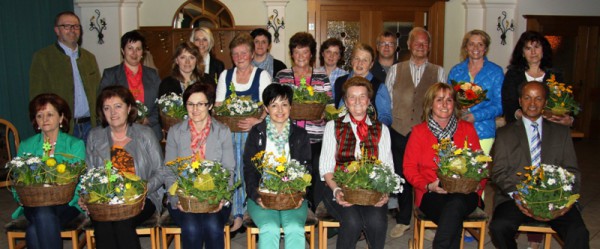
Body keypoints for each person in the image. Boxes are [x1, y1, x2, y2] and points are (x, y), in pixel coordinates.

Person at [489, 81, 589, 249]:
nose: (532, 103)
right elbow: (498, 172)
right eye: (527, 98)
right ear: (520, 101)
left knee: (578, 232)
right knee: (499, 227)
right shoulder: (505, 134)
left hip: (555, 198)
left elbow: (572, 171)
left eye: (538, 98)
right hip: (515, 198)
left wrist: (567, 200)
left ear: (545, 102)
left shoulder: (561, 133)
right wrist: (519, 196)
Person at [83, 86, 165, 249]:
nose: (113, 112)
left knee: (122, 221)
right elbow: (89, 173)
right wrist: (88, 196)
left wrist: (141, 191)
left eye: (118, 106)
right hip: (105, 200)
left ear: (129, 108)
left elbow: (161, 171)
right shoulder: (95, 136)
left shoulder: (145, 134)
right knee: (103, 222)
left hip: (142, 198)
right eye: (107, 108)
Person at [384, 27, 446, 238]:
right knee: (401, 175)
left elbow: (442, 102)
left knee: (426, 174)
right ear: (409, 45)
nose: (420, 46)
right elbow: (388, 102)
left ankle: (427, 218)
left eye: (425, 43)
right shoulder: (396, 69)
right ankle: (403, 221)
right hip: (399, 130)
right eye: (416, 42)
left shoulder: (438, 71)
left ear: (429, 46)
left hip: (425, 132)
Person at [403, 83, 482, 248]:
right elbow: (409, 169)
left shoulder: (467, 129)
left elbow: (481, 164)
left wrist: (474, 185)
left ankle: (439, 245)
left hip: (465, 192)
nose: (445, 105)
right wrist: (428, 186)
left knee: (455, 205)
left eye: (449, 100)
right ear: (430, 104)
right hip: (431, 193)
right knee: (453, 212)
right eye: (439, 100)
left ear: (454, 104)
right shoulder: (418, 132)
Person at [320, 76, 393, 249]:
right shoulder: (333, 126)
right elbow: (325, 168)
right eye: (352, 97)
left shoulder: (381, 129)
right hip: (336, 187)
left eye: (362, 96)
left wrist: (385, 193)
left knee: (376, 221)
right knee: (352, 222)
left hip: (371, 192)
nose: (358, 101)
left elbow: (387, 167)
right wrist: (337, 190)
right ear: (346, 101)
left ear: (369, 101)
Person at [163, 82, 235, 249]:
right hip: (183, 198)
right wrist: (175, 200)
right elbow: (168, 171)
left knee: (212, 226)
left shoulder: (222, 131)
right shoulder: (175, 132)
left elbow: (229, 170)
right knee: (192, 228)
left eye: (200, 104)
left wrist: (221, 198)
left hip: (216, 198)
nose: (195, 109)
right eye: (190, 104)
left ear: (209, 105)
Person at [243, 84, 312, 249]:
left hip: (293, 196)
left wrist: (301, 194)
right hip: (262, 195)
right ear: (266, 108)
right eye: (274, 105)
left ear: (290, 107)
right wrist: (256, 196)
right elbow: (249, 169)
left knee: (295, 228)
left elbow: (307, 170)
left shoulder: (300, 135)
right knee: (269, 228)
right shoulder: (256, 133)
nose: (280, 110)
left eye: (284, 104)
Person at [11, 94, 85, 249]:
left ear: (61, 117)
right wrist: (20, 197)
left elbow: (81, 179)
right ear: (35, 121)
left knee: (34, 229)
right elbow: (17, 180)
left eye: (50, 114)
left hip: (67, 204)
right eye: (40, 115)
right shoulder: (27, 145)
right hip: (33, 203)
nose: (44, 119)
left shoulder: (75, 145)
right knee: (43, 212)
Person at [215, 32, 272, 232]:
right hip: (229, 133)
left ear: (251, 54)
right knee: (232, 170)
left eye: (244, 53)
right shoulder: (225, 75)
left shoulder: (262, 75)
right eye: (236, 54)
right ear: (232, 56)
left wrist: (257, 121)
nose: (240, 57)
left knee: (253, 170)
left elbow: (269, 104)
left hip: (254, 133)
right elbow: (219, 105)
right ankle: (236, 213)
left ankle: (251, 209)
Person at [274, 32, 332, 210]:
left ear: (311, 54)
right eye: (297, 52)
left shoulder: (321, 77)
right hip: (287, 135)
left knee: (314, 175)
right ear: (291, 54)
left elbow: (330, 106)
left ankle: (312, 210)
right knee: (290, 174)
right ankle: (292, 208)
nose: (300, 57)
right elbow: (273, 104)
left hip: (315, 137)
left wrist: (324, 112)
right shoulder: (282, 76)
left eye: (305, 52)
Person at [29, 11, 100, 141]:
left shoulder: (89, 58)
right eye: (66, 26)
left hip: (91, 126)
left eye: (76, 26)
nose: (72, 30)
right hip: (63, 128)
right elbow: (37, 98)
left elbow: (98, 92)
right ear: (57, 30)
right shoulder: (43, 57)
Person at [447, 29, 504, 155]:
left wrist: (475, 116)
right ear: (466, 47)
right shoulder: (456, 71)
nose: (476, 48)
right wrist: (458, 110)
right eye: (471, 44)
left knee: (478, 171)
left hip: (484, 132)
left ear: (485, 48)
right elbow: (448, 99)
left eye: (480, 44)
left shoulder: (496, 72)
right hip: (458, 129)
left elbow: (499, 106)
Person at [99, 30, 162, 140]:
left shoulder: (152, 74)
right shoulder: (110, 75)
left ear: (143, 52)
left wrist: (148, 120)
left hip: (149, 132)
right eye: (130, 48)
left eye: (138, 49)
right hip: (119, 133)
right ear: (122, 50)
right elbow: (101, 104)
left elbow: (161, 102)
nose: (134, 53)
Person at [502, 31, 573, 126]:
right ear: (522, 53)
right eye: (528, 48)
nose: (533, 52)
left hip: (550, 128)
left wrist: (568, 119)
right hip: (520, 127)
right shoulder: (513, 74)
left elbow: (566, 102)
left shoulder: (556, 74)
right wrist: (528, 117)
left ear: (543, 50)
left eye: (536, 47)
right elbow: (508, 104)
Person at [334, 43, 392, 126]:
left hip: (368, 135)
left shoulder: (379, 86)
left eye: (365, 60)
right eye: (356, 58)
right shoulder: (339, 82)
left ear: (371, 64)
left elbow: (385, 117)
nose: (359, 63)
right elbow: (334, 110)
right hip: (341, 134)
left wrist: (374, 131)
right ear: (351, 60)